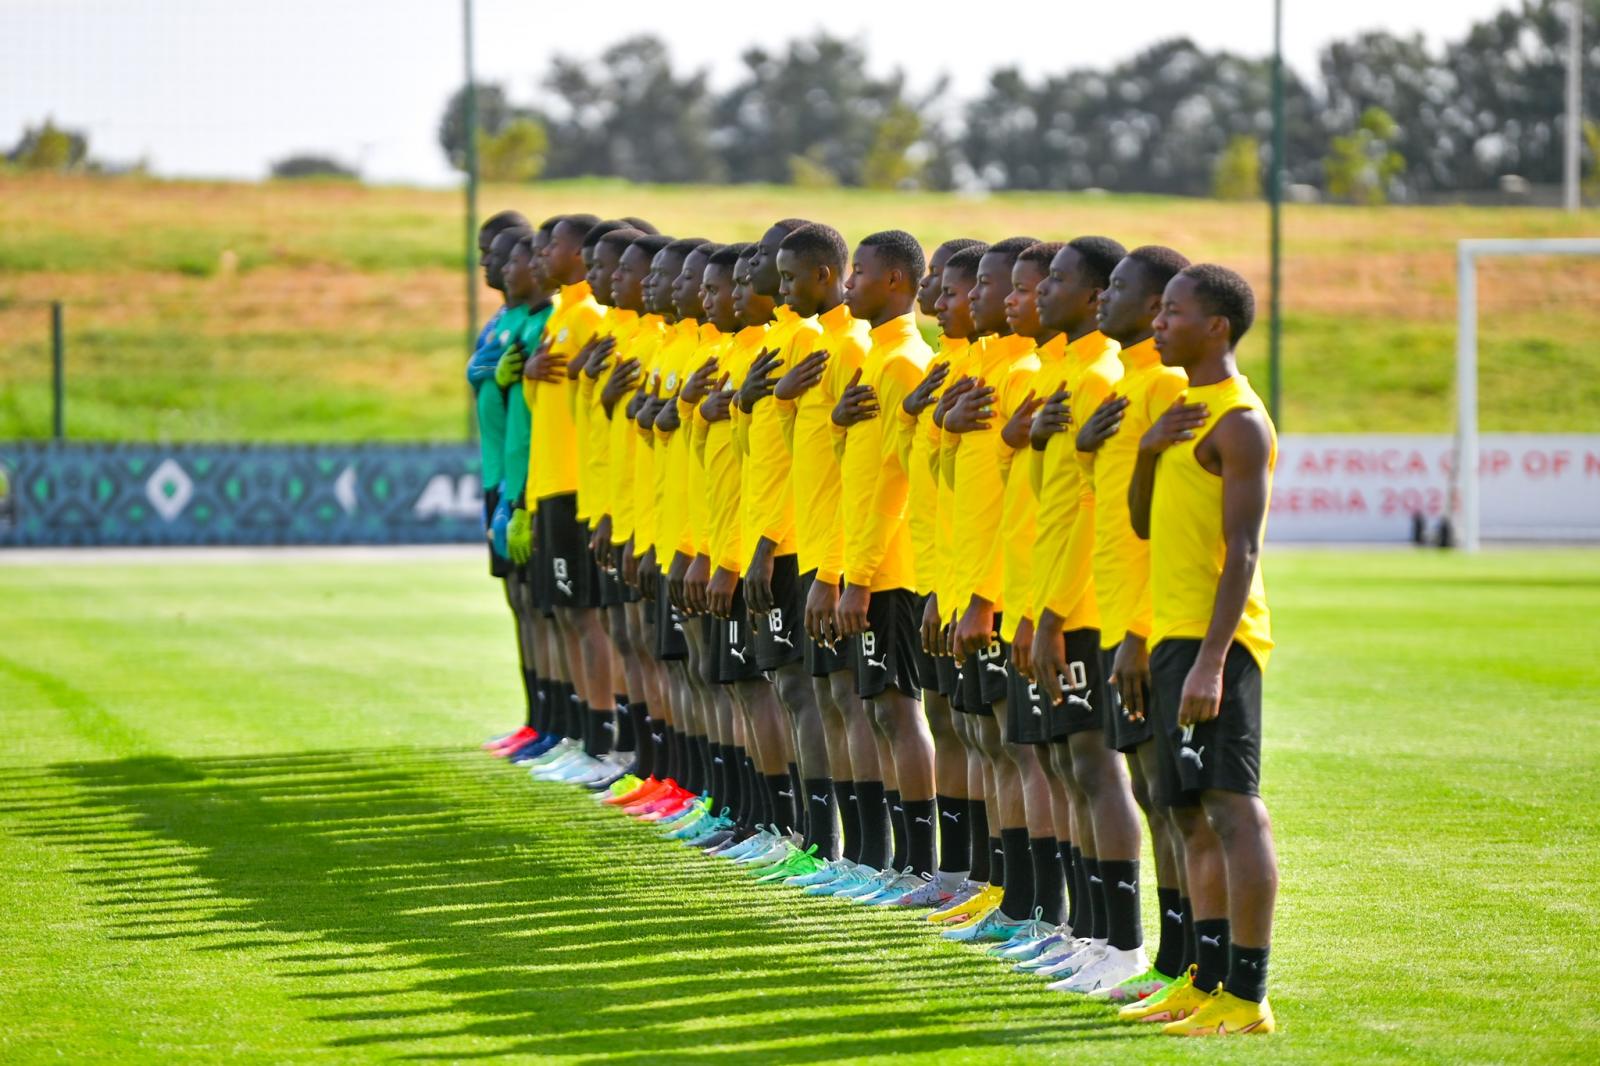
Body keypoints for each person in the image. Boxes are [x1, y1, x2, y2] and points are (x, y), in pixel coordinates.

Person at [1123, 264, 1279, 1036]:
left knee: (1232, 809)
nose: (1159, 321)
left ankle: (1247, 997)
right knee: (1182, 809)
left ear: (1216, 326)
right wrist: (1148, 450)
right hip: (1173, 635)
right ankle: (1201, 981)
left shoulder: (1241, 422)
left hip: (1221, 642)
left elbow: (1242, 552)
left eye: (1174, 312)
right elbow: (1145, 524)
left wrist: (1216, 660)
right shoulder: (1184, 410)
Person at [1069, 243, 1197, 1004]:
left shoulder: (1168, 390)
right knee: (1153, 794)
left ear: (1153, 308)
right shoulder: (1126, 386)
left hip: (1149, 627)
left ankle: (1176, 960)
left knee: (1170, 797)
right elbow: (1113, 510)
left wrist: (1141, 633)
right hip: (1122, 621)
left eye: (1115, 289)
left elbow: (1171, 531)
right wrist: (1087, 451)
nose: (1101, 301)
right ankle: (1161, 961)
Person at [831, 229, 938, 904]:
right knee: (878, 713)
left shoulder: (903, 363)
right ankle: (894, 861)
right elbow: (863, 470)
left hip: (893, 572)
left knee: (900, 714)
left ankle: (921, 865)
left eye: (859, 274)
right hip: (870, 567)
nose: (849, 286)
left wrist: (860, 574)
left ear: (896, 281)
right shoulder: (878, 358)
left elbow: (898, 486)